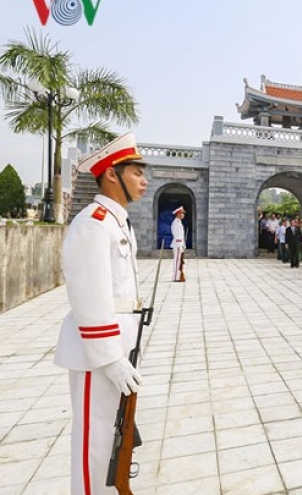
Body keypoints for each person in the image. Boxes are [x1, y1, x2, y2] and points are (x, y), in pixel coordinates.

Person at [55, 132, 148, 495]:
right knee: (96, 445)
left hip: (119, 348)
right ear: (112, 173)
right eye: (137, 172)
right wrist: (110, 359)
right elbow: (89, 296)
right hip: (99, 356)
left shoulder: (116, 221)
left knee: (114, 440)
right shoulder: (93, 223)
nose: (144, 180)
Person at [171, 206, 186, 282]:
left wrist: (183, 245)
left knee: (179, 261)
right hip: (177, 245)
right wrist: (180, 245)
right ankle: (176, 277)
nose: (183, 215)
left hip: (179, 245)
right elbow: (177, 235)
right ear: (178, 214)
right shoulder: (176, 223)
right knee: (177, 261)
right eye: (182, 213)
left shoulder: (179, 222)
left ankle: (177, 276)